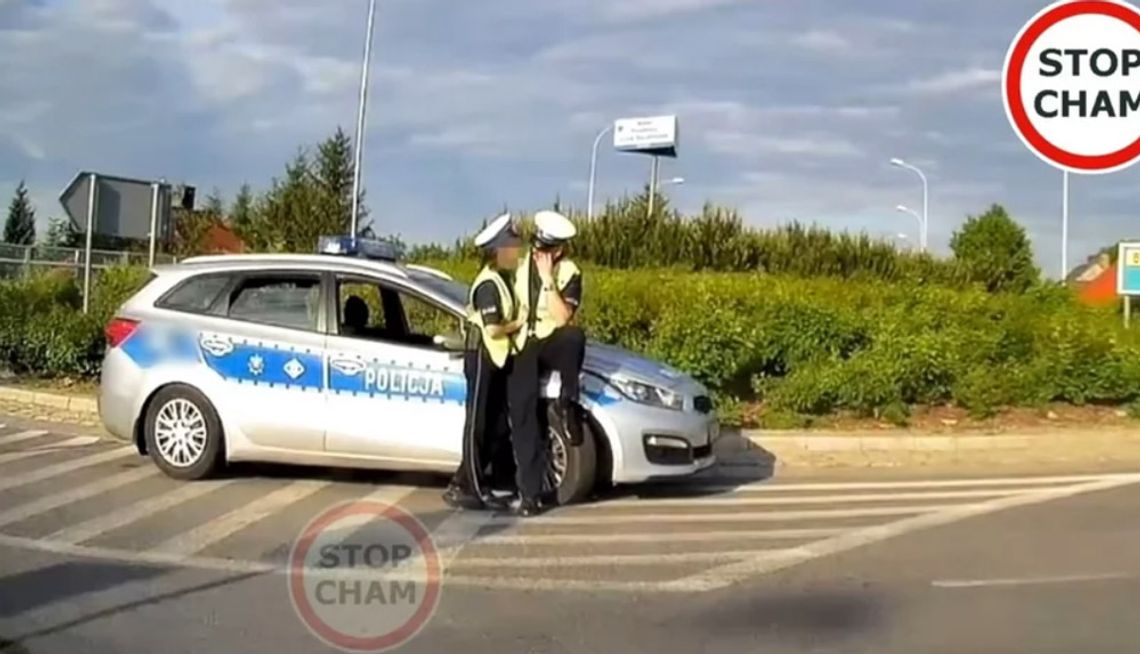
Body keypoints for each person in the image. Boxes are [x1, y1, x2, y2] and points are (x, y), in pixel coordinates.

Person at [443, 213, 527, 511]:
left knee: (495, 425)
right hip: (480, 358)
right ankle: (473, 489)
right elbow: (493, 328)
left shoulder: (501, 280)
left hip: (495, 359)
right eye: (513, 248)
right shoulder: (488, 285)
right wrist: (518, 324)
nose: (517, 253)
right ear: (499, 250)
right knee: (477, 425)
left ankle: (463, 481)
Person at [507, 210, 586, 517]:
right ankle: (530, 495)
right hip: (522, 343)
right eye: (537, 247)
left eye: (546, 251)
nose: (538, 254)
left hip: (550, 340)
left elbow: (563, 317)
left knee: (574, 337)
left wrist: (547, 280)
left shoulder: (569, 272)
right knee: (524, 412)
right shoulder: (519, 265)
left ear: (559, 250)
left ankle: (568, 402)